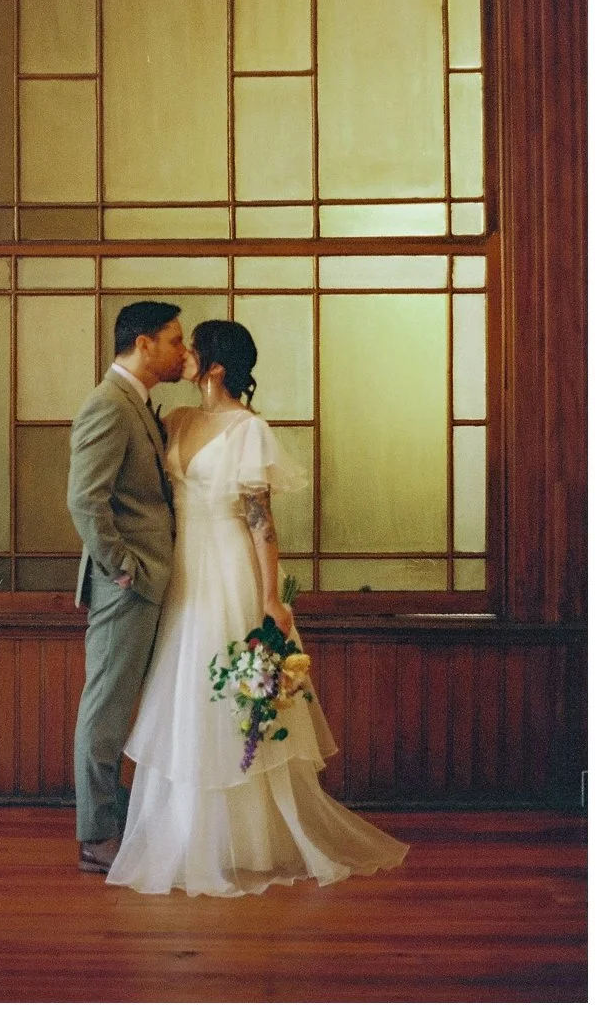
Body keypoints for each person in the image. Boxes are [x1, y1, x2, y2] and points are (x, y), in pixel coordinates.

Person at [105, 319, 408, 896]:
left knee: (230, 695)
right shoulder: (176, 419)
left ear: (215, 367)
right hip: (181, 572)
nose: (185, 354)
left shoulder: (248, 431)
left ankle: (246, 838)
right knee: (184, 693)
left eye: (195, 348)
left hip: (229, 569)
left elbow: (261, 522)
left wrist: (271, 597)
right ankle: (187, 833)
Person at [67, 301, 187, 874]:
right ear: (143, 344)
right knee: (106, 710)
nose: (183, 352)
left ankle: (115, 824)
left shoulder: (135, 402)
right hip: (128, 584)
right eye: (174, 341)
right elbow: (84, 500)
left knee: (120, 708)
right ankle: (96, 836)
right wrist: (123, 570)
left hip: (146, 581)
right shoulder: (108, 405)